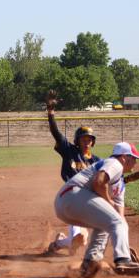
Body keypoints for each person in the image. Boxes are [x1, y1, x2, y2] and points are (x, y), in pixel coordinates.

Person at [54, 142, 139, 278]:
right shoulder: (115, 163)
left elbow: (119, 218)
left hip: (66, 204)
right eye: (133, 157)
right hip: (71, 195)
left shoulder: (120, 187)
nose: (136, 162)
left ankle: (89, 263)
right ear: (124, 157)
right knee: (114, 221)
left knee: (109, 223)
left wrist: (124, 244)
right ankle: (123, 261)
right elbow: (99, 182)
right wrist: (109, 201)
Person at [45, 90, 100, 255]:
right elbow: (56, 133)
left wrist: (124, 180)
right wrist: (50, 111)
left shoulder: (97, 161)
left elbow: (104, 180)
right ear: (77, 141)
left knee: (80, 242)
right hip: (71, 197)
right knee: (78, 239)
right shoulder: (69, 151)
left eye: (89, 139)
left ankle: (58, 243)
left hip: (87, 200)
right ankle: (64, 242)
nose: (87, 142)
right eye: (83, 139)